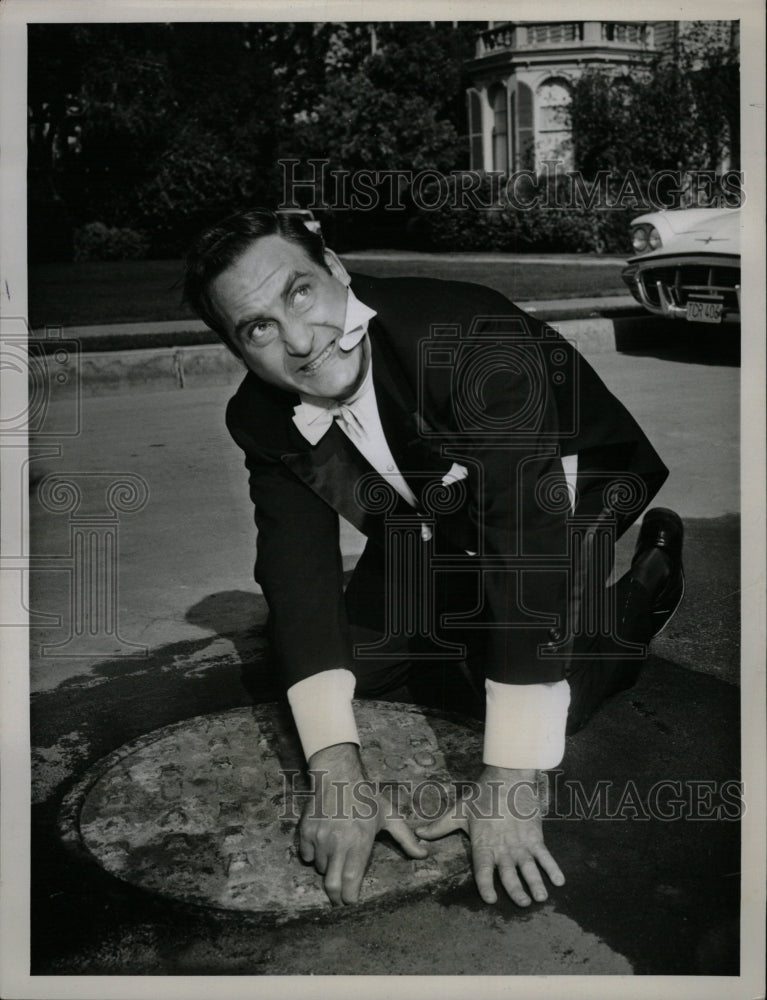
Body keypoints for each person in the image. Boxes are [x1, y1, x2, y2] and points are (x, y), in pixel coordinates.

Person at [183, 208, 684, 909]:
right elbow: (298, 577)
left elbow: (524, 545)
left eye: (298, 291)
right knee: (323, 671)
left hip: (563, 487)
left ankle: (638, 595)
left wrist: (509, 780)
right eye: (257, 328)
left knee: (540, 702)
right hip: (429, 509)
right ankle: (469, 626)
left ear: (334, 269)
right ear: (239, 349)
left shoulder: (469, 339)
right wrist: (336, 776)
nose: (298, 340)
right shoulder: (259, 416)